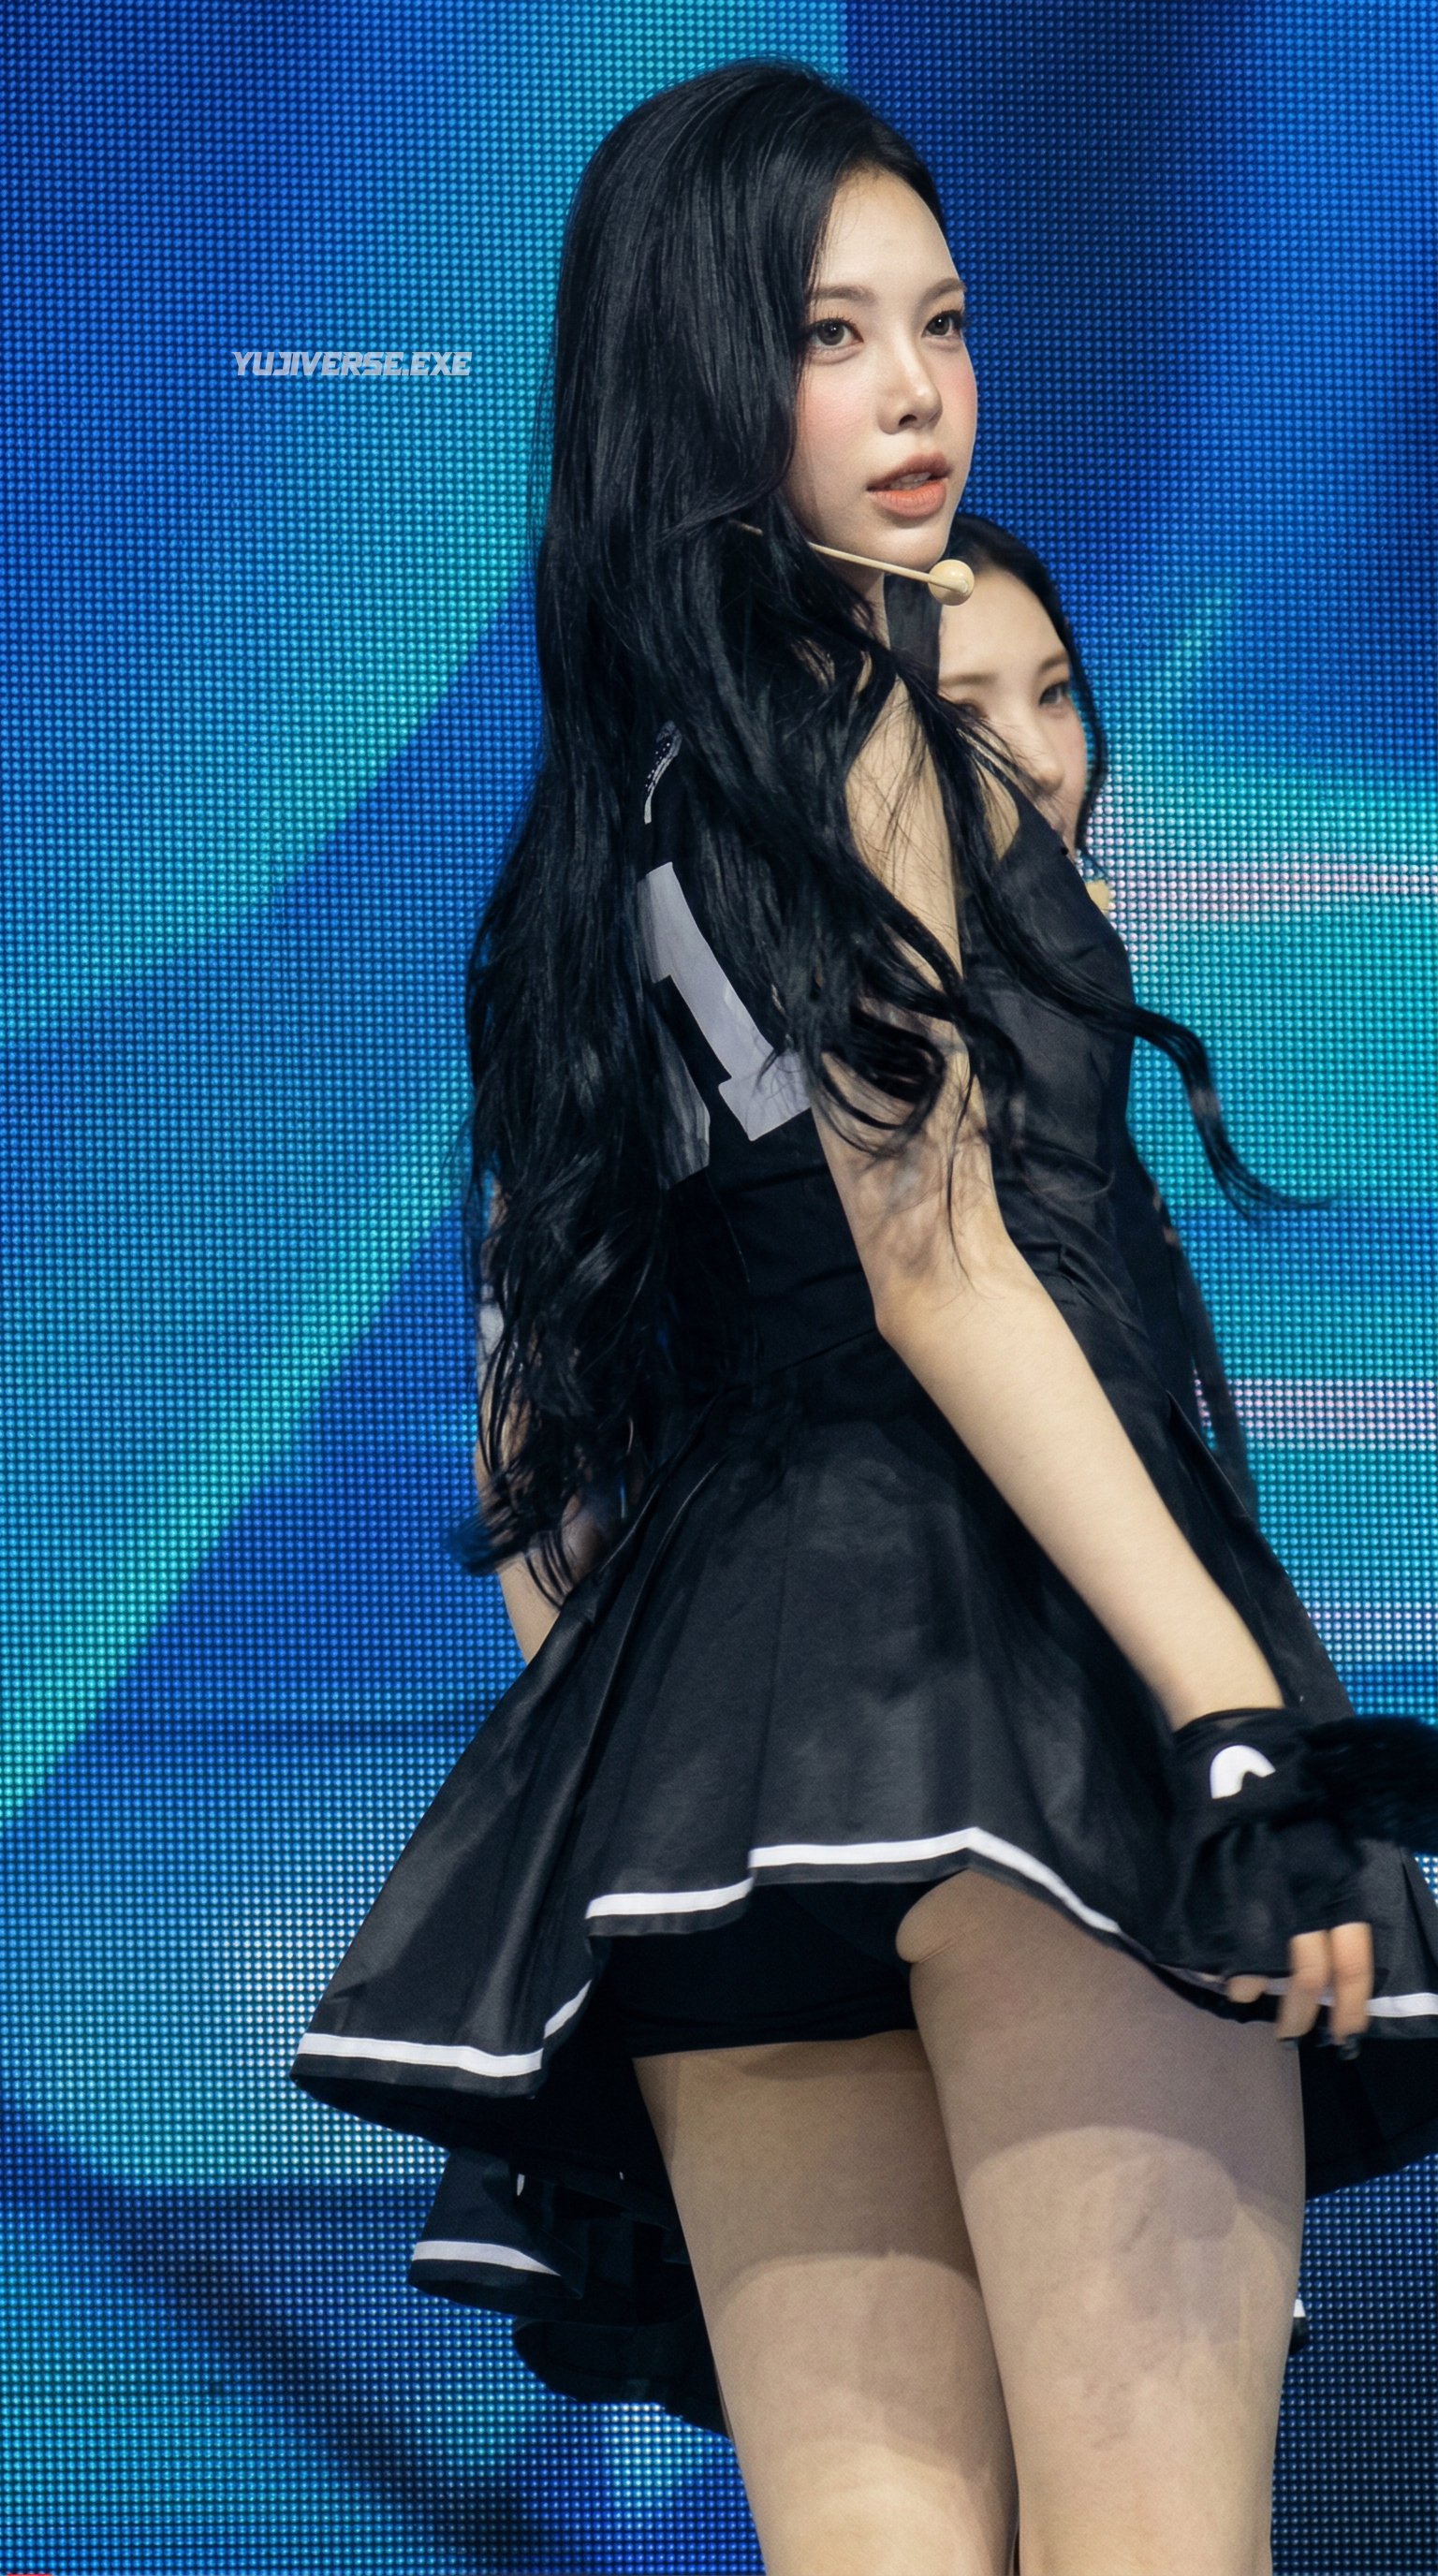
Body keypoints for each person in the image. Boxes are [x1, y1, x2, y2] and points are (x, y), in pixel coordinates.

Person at [288, 63, 1438, 2576]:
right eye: (831, 336)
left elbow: (534, 1464)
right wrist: (1234, 1713)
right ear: (700, 370)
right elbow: (948, 1272)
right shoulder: (863, 712)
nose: (918, 394)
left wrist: (653, 1734)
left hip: (714, 1770)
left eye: (941, 321)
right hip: (1016, 1688)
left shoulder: (603, 828)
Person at [886, 512, 1263, 1514]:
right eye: (963, 710)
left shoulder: (1061, 1019)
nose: (1046, 762)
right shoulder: (872, 1065)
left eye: (1054, 694)